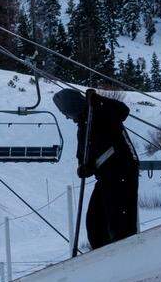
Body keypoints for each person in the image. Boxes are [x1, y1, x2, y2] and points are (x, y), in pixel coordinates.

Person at [53, 88, 140, 250]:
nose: (66, 117)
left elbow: (122, 111)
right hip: (105, 176)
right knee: (95, 221)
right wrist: (84, 167)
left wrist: (99, 100)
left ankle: (127, 251)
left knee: (119, 219)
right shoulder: (83, 124)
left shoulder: (98, 111)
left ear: (73, 106)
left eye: (66, 112)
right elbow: (83, 154)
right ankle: (102, 253)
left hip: (122, 169)